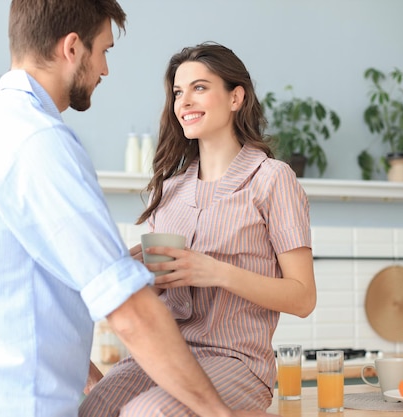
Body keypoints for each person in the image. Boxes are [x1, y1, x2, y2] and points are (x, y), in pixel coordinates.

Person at [0, 1, 276, 416]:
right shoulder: (39, 142)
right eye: (103, 50)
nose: (105, 69)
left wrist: (104, 392)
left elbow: (10, 293)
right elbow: (131, 313)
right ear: (72, 48)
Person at [80, 42, 317, 416]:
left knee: (148, 413)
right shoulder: (169, 190)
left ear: (236, 97)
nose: (184, 101)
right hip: (163, 354)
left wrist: (214, 271)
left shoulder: (271, 180)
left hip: (236, 363)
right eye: (178, 92)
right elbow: (159, 297)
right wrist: (143, 277)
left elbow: (303, 298)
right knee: (93, 408)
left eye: (199, 88)